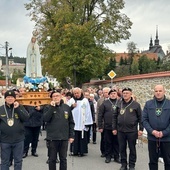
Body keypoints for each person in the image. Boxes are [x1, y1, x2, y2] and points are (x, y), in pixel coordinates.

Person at [112, 88, 143, 170]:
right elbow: (114, 117)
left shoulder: (136, 105)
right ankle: (123, 164)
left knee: (132, 148)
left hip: (132, 131)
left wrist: (141, 129)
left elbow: (141, 118)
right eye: (124, 93)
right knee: (122, 148)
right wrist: (114, 128)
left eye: (127, 93)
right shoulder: (119, 104)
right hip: (121, 130)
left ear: (131, 94)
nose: (125, 94)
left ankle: (132, 165)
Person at [43, 90, 75, 170]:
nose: (56, 97)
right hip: (52, 138)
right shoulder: (47, 107)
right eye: (54, 96)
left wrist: (71, 135)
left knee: (63, 159)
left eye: (57, 96)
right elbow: (45, 119)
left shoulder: (66, 107)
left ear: (61, 97)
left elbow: (71, 122)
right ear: (51, 98)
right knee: (52, 159)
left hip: (63, 137)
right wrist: (51, 107)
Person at [142, 85, 170, 170]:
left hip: (167, 138)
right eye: (156, 91)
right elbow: (144, 120)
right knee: (153, 161)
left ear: (164, 92)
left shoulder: (169, 103)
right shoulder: (148, 104)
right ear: (154, 92)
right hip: (152, 138)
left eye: (160, 91)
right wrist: (152, 131)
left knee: (168, 161)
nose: (158, 93)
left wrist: (164, 132)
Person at [0, 90, 29, 170]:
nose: (10, 99)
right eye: (8, 97)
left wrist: (17, 109)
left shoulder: (20, 107)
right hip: (5, 140)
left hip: (18, 140)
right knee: (4, 162)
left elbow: (26, 118)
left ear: (15, 98)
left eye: (12, 97)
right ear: (5, 98)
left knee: (18, 161)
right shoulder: (1, 109)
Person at [98, 89, 120, 163]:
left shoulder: (120, 103)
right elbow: (100, 115)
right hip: (107, 126)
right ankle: (108, 156)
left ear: (116, 94)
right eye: (111, 94)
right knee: (108, 142)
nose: (113, 95)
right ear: (109, 95)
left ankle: (117, 156)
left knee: (117, 142)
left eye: (114, 93)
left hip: (118, 127)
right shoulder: (105, 103)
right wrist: (100, 126)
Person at [71, 87, 93, 156]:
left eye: (77, 93)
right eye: (75, 93)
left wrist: (87, 122)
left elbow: (88, 111)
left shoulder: (85, 100)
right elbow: (67, 110)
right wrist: (72, 106)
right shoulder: (71, 100)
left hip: (82, 122)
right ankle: (74, 151)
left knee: (82, 137)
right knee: (74, 136)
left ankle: (81, 151)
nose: (76, 94)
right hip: (74, 122)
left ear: (81, 93)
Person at [97, 87, 110, 157]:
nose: (106, 94)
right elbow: (98, 113)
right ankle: (103, 151)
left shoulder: (115, 100)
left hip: (111, 124)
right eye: (105, 92)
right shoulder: (100, 101)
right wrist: (99, 125)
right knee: (103, 138)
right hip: (103, 123)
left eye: (107, 92)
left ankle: (111, 152)